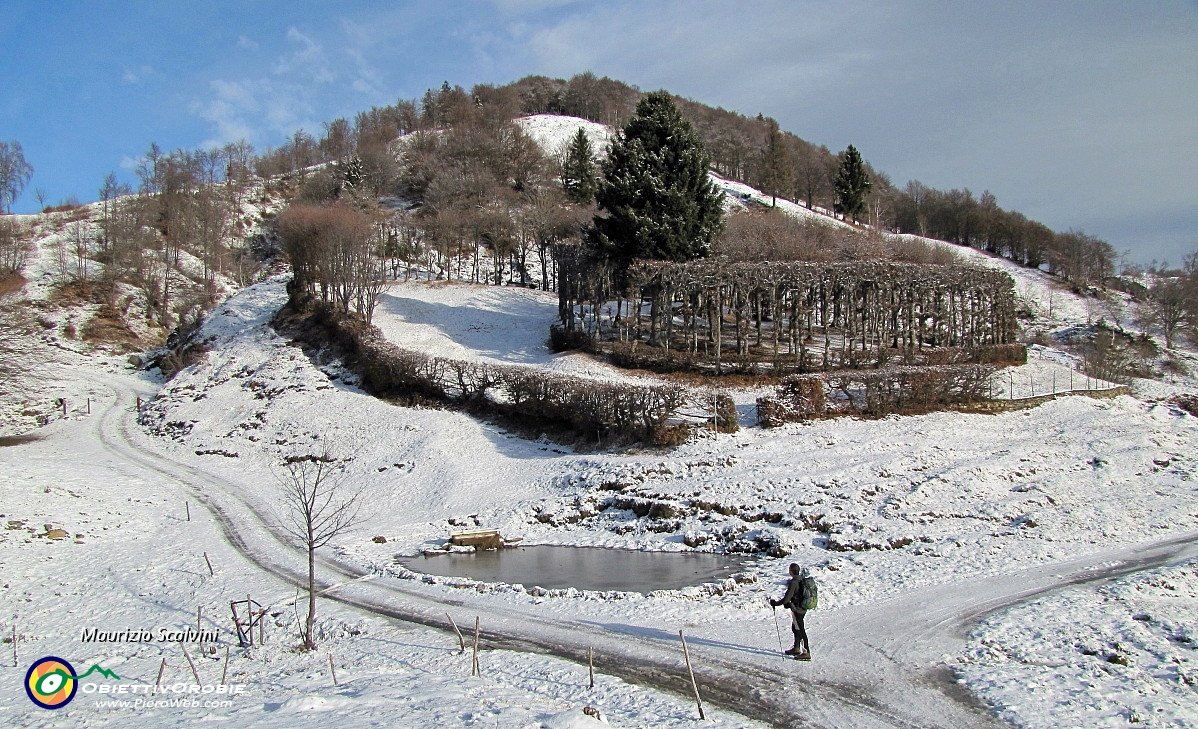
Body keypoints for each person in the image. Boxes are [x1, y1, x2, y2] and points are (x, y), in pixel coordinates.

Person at [770, 563, 811, 660]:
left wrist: (775, 603)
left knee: (800, 629)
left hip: (797, 609)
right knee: (795, 627)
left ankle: (806, 652)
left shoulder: (794, 583)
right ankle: (796, 648)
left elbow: (786, 599)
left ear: (791, 571)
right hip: (802, 608)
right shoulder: (801, 579)